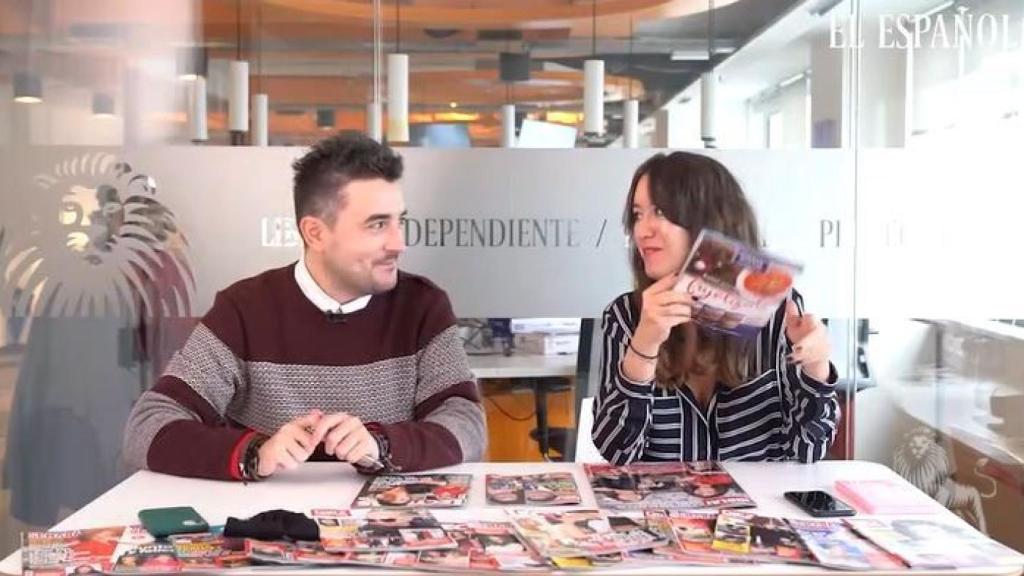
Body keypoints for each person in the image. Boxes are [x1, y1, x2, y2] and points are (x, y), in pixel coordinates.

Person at [122, 134, 486, 480]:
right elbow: (146, 427)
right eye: (377, 225)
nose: (399, 243)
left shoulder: (422, 306)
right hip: (268, 524)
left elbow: (467, 422)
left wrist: (382, 444)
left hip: (389, 522)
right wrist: (256, 454)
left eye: (399, 221)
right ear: (315, 233)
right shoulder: (244, 310)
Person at [592, 152, 838, 465]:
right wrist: (645, 345)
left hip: (758, 509)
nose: (642, 230)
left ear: (708, 219)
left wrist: (816, 369)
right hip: (663, 509)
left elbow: (809, 449)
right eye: (638, 215)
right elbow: (617, 452)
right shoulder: (626, 316)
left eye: (660, 212)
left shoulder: (779, 314)